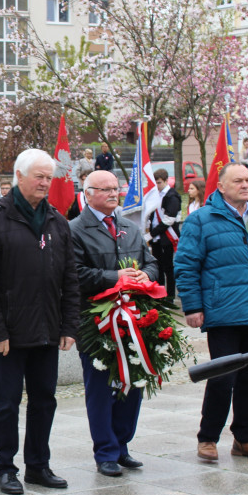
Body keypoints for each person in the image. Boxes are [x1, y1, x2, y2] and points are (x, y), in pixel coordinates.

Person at [0, 149, 80, 495]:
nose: (46, 183)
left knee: (44, 400)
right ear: (19, 176)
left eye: (49, 177)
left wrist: (68, 326)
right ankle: (6, 468)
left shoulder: (56, 221)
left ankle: (38, 465)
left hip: (47, 330)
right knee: (6, 403)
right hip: (10, 334)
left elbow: (70, 279)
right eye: (39, 176)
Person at [174, 162, 248, 463]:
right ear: (222, 187)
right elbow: (186, 266)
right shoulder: (201, 220)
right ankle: (208, 438)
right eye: (238, 181)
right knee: (222, 377)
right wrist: (193, 306)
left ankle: (245, 438)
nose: (246, 185)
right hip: (223, 311)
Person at [70, 170, 158, 477]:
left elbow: (150, 261)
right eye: (106, 190)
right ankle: (105, 450)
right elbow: (76, 275)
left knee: (132, 384)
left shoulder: (128, 227)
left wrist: (147, 275)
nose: (113, 194)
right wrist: (114, 278)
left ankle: (122, 445)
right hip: (97, 323)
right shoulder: (76, 230)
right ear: (89, 193)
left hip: (134, 320)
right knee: (100, 388)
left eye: (115, 189)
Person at [146, 169, 181, 301]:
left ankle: (170, 296)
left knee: (168, 268)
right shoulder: (155, 195)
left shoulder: (172, 196)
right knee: (157, 267)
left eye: (159, 182)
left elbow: (169, 219)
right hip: (156, 238)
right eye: (155, 183)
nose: (158, 185)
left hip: (168, 237)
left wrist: (151, 234)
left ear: (166, 181)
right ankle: (159, 296)